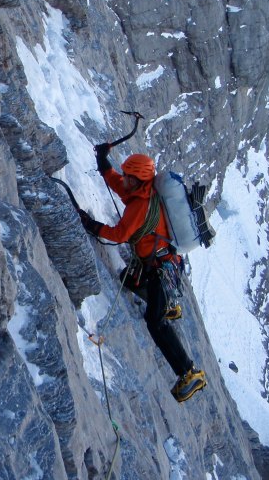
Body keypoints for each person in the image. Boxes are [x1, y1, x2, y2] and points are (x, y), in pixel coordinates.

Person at [79, 145, 207, 403]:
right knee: (130, 280)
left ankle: (189, 372)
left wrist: (89, 224)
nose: (124, 179)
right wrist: (103, 161)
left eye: (128, 176)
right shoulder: (141, 194)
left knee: (155, 322)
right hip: (161, 265)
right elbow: (117, 184)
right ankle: (167, 303)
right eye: (125, 175)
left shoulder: (140, 206)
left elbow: (119, 235)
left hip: (160, 269)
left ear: (137, 180)